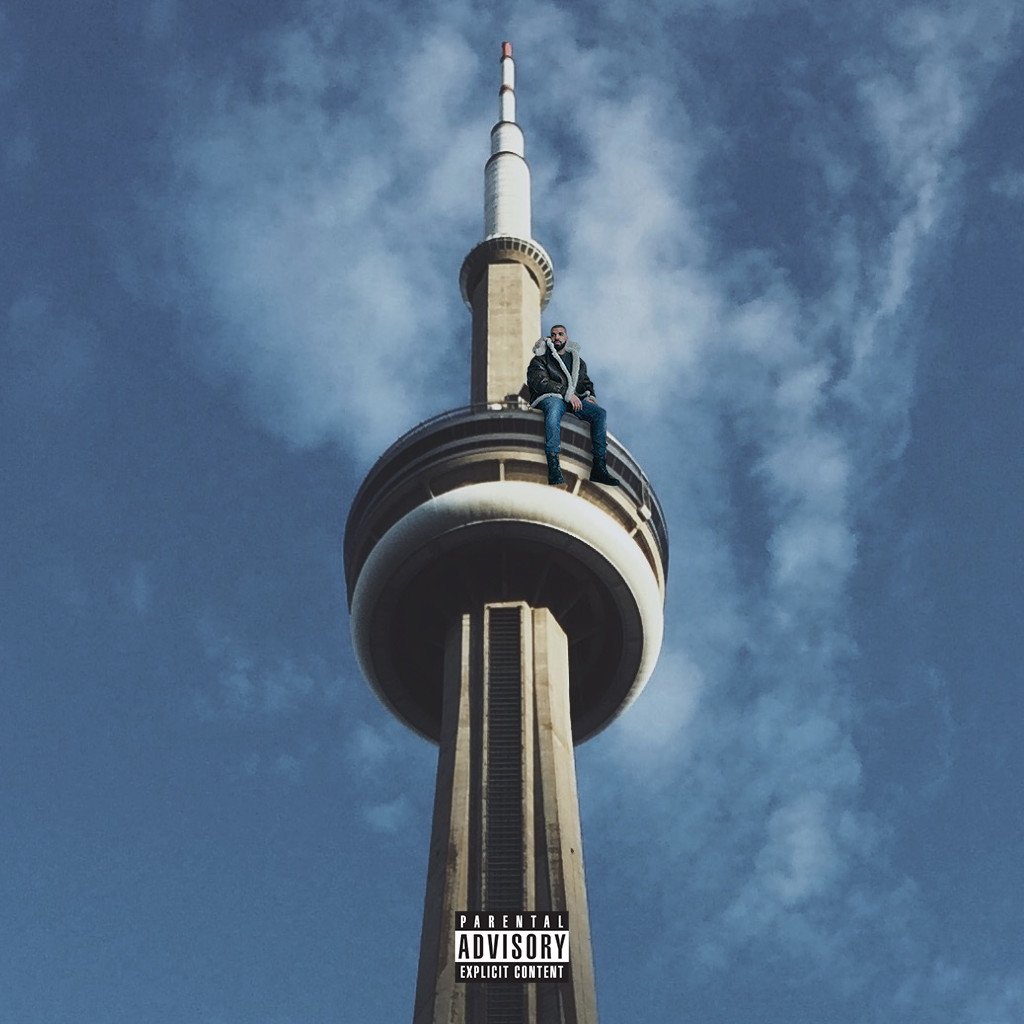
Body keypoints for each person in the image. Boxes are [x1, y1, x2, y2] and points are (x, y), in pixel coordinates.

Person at [526, 324, 619, 487]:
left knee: (599, 414)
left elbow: (586, 382)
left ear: (566, 337)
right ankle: (554, 466)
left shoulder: (578, 362)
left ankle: (599, 467)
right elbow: (539, 382)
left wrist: (590, 396)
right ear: (550, 338)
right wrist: (566, 393)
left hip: (572, 400)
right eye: (553, 334)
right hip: (551, 396)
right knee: (553, 409)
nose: (557, 337)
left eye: (560, 334)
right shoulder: (541, 359)